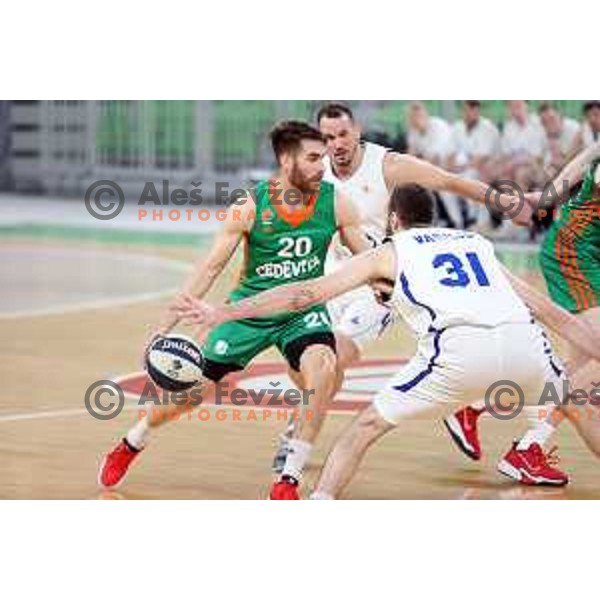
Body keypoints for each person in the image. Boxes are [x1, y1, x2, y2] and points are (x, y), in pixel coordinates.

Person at [174, 185, 600, 498]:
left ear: (394, 219)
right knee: (576, 409)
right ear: (433, 216)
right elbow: (551, 313)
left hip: (459, 353)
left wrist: (225, 311)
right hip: (526, 346)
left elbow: (303, 295)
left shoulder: (388, 251)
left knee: (361, 430)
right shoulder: (476, 242)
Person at [97, 120, 370, 500]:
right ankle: (134, 439)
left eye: (322, 157)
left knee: (323, 368)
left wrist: (392, 283)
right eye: (312, 158)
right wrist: (164, 325)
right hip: (247, 312)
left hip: (301, 313)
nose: (321, 165)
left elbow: (368, 259)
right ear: (285, 159)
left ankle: (287, 478)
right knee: (188, 396)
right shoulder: (250, 206)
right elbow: (209, 268)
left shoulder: (336, 202)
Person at [271, 102, 535, 472]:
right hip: (331, 279)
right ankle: (308, 412)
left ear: (357, 131)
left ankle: (295, 439)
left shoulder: (386, 165)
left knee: (335, 356)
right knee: (304, 365)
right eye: (328, 138)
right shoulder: (314, 171)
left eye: (343, 134)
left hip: (376, 285)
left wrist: (505, 201)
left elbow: (450, 181)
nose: (337, 144)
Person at [444, 141, 600, 484]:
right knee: (590, 364)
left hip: (587, 254)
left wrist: (546, 197)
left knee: (574, 373)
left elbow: (585, 157)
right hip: (575, 253)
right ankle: (526, 448)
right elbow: (586, 161)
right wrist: (548, 198)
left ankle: (480, 415)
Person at [447, 101, 501, 229]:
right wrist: (453, 167)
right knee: (445, 185)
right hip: (463, 168)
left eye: (473, 109)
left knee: (470, 177)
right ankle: (458, 223)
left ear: (477, 110)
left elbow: (481, 159)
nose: (470, 113)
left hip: (490, 169)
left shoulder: (487, 127)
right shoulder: (457, 127)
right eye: (467, 109)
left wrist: (461, 166)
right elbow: (449, 155)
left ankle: (476, 220)